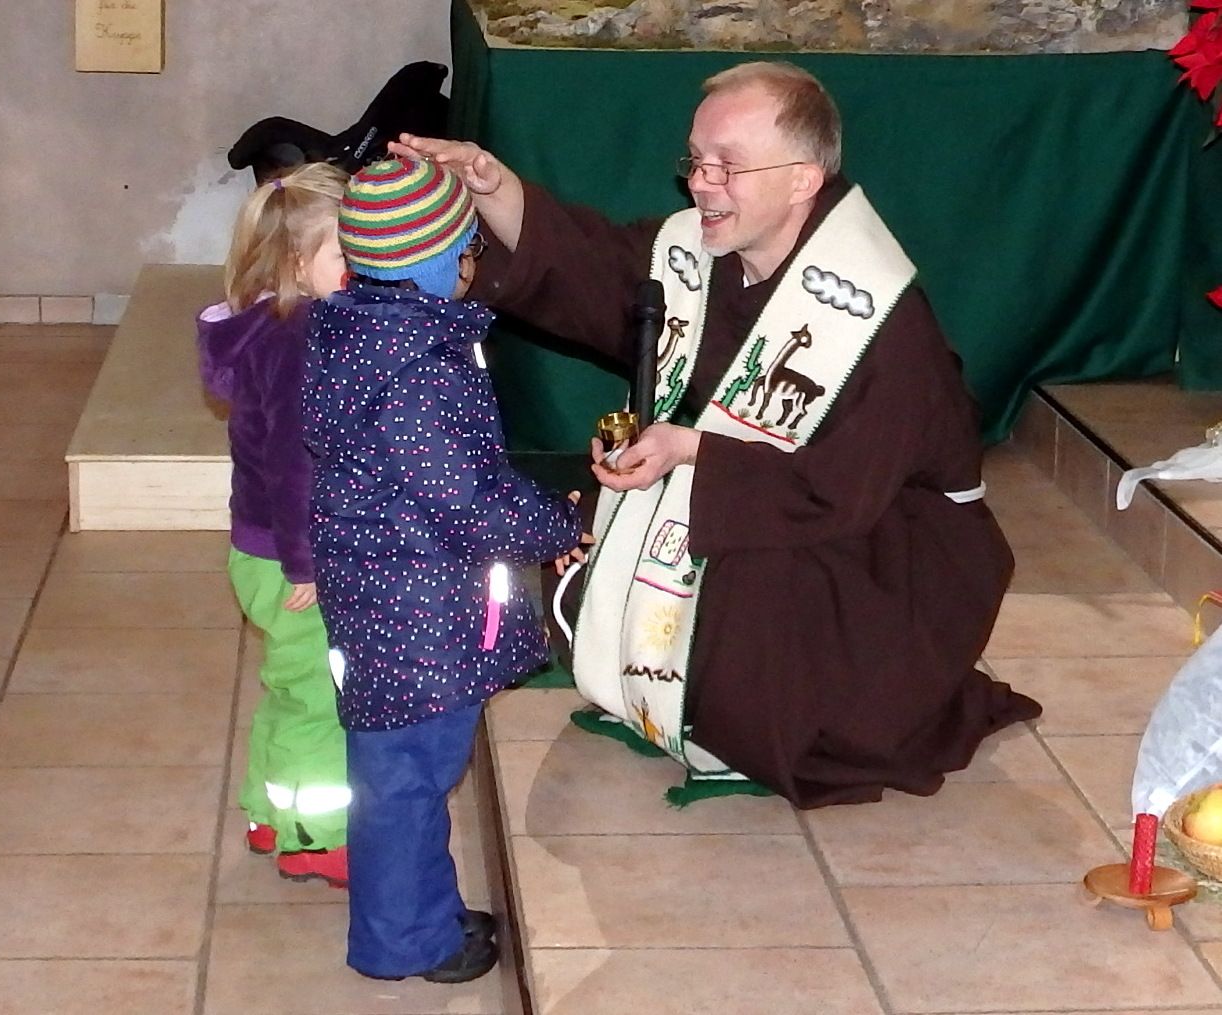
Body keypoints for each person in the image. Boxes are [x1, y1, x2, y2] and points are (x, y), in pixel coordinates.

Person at [393, 61, 1042, 809]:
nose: (700, 184)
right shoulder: (707, 255)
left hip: (892, 561)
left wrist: (692, 450)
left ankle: (747, 718)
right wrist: (494, 187)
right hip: (779, 497)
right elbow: (596, 267)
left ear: (802, 180)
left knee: (745, 565)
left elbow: (839, 492)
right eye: (696, 161)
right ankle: (672, 685)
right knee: (610, 513)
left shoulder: (877, 318)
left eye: (727, 166)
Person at [304, 157, 580, 981]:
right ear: (433, 263)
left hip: (380, 597)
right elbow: (470, 500)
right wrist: (559, 522)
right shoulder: (419, 369)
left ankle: (423, 912)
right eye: (467, 251)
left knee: (401, 773)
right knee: (409, 781)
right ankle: (409, 939)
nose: (472, 265)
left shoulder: (351, 334)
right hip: (417, 614)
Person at [195, 163, 352, 886]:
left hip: (256, 550)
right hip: (292, 557)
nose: (361, 265)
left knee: (288, 686)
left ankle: (267, 810)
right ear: (296, 260)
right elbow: (295, 463)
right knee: (319, 696)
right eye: (346, 251)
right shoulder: (298, 339)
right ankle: (315, 835)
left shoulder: (263, 325)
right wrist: (306, 562)